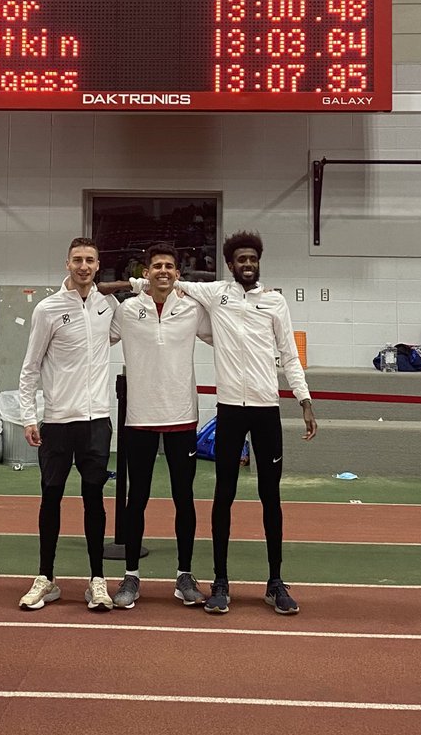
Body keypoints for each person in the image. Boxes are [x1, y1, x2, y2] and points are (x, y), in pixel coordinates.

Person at [133, 231, 317, 616]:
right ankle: (220, 582)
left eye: (253, 259)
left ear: (258, 263)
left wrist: (303, 399)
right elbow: (168, 281)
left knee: (271, 497)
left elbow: (288, 355)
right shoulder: (217, 294)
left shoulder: (275, 302)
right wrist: (137, 281)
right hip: (230, 410)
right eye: (241, 260)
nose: (247, 265)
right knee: (224, 497)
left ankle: (275, 583)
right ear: (231, 265)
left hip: (267, 410)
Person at [108, 242, 213, 610]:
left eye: (169, 266)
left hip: (182, 416)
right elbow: (93, 337)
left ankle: (184, 576)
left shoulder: (191, 309)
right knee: (136, 500)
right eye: (157, 266)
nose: (163, 271)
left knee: (184, 500)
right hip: (139, 418)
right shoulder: (127, 309)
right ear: (146, 272)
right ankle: (132, 577)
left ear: (178, 273)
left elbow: (225, 335)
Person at [18, 237, 118, 613]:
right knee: (52, 498)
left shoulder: (107, 306)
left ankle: (97, 580)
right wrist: (29, 416)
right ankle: (46, 578)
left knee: (94, 499)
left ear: (98, 265)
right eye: (77, 260)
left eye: (90, 260)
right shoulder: (47, 309)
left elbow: (134, 326)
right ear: (67, 264)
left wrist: (134, 286)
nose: (83, 266)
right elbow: (30, 367)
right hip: (58, 422)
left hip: (96, 423)